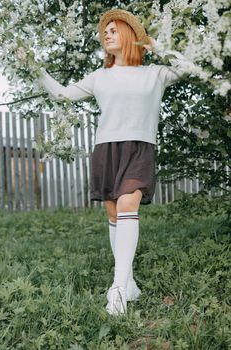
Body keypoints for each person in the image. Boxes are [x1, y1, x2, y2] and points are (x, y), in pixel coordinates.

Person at [38, 9, 190, 316]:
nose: (105, 34)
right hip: (106, 150)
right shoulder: (99, 77)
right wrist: (33, 66)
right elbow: (62, 94)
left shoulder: (155, 74)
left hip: (139, 148)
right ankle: (129, 281)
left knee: (127, 207)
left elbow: (188, 67)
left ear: (130, 35)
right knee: (113, 213)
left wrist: (155, 46)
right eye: (103, 32)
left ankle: (118, 289)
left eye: (112, 29)